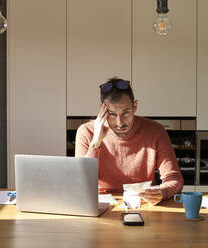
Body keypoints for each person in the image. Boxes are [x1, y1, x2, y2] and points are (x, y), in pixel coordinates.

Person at [75, 77, 183, 205]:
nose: (119, 123)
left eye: (126, 113)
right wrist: (95, 143)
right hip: (101, 204)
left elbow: (174, 179)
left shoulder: (156, 131)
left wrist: (162, 193)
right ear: (102, 110)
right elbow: (80, 183)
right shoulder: (86, 131)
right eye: (112, 114)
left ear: (135, 106)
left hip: (142, 203)